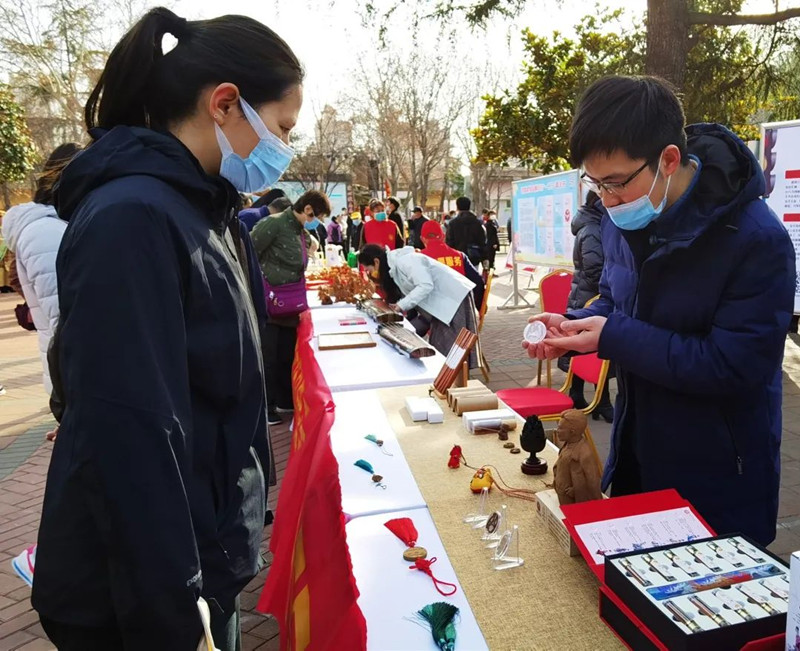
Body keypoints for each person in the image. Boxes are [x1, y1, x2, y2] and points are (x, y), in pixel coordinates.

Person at [32, 8, 303, 649]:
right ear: (226, 104)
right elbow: (130, 435)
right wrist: (178, 618)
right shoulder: (132, 218)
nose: (286, 149)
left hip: (202, 560)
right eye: (283, 128)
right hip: (149, 596)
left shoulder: (208, 212)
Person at [525, 75, 795, 546]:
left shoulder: (755, 240)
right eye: (596, 184)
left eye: (616, 184)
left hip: (719, 475)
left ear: (668, 159)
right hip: (637, 451)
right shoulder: (624, 220)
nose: (606, 201)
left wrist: (612, 335)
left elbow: (733, 364)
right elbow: (613, 297)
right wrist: (574, 325)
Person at [1, 143, 80, 396]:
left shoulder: (56, 224)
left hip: (75, 375)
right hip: (74, 376)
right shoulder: (44, 231)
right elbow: (63, 315)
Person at [252, 191, 328, 425]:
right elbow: (249, 254)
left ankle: (285, 400)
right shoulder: (272, 225)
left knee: (287, 356)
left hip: (292, 304)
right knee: (269, 357)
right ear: (307, 209)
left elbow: (311, 248)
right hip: (270, 303)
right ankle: (267, 407)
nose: (319, 222)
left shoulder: (299, 230)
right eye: (318, 216)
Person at [358, 243, 477, 365]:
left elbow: (425, 285)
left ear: (376, 262)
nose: (369, 274)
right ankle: (450, 378)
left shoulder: (405, 261)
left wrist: (401, 305)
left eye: (368, 270)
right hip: (442, 304)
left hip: (453, 299)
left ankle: (456, 380)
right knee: (441, 346)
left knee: (451, 349)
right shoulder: (394, 268)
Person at [557, 190, 614, 423]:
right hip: (590, 296)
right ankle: (601, 401)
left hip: (584, 294)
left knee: (585, 349)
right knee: (595, 352)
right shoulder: (592, 228)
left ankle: (577, 394)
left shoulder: (591, 223)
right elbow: (594, 269)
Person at [420, 220, 484, 311]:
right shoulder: (460, 256)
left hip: (433, 314)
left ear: (422, 239)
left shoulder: (419, 258)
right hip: (461, 314)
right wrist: (479, 308)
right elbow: (478, 282)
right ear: (443, 236)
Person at [446, 196, 486, 266]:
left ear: (457, 207)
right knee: (473, 275)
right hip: (474, 257)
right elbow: (482, 241)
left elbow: (449, 241)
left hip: (458, 258)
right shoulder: (476, 222)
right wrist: (485, 258)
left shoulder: (453, 223)